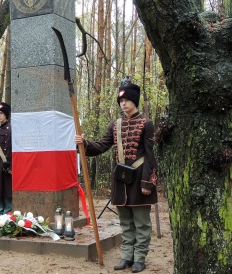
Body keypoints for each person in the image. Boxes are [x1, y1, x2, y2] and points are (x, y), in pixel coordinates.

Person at [74, 81, 157, 273]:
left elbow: (151, 157)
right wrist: (84, 144)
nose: (123, 103)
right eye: (121, 100)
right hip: (120, 181)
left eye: (127, 100)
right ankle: (127, 256)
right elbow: (102, 146)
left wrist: (147, 183)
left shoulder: (147, 123)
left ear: (134, 101)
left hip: (139, 181)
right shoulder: (115, 124)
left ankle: (140, 258)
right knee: (126, 222)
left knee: (142, 223)